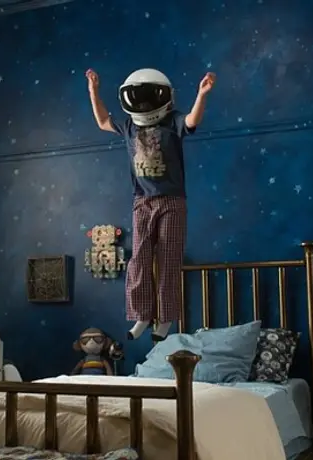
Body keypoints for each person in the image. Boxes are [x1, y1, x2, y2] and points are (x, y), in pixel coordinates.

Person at [86, 67, 216, 341]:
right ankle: (142, 315)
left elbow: (192, 120)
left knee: (169, 258)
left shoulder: (172, 121)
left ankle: (165, 318)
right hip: (142, 200)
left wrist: (202, 94)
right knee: (139, 259)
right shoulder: (130, 126)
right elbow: (103, 121)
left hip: (172, 200)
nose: (144, 105)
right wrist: (93, 91)